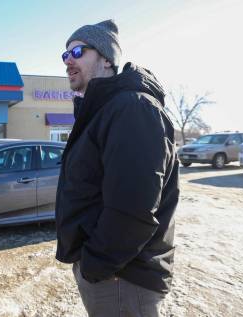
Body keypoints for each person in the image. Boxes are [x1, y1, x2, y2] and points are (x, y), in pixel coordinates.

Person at [55, 20, 179, 316]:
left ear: (107, 58)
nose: (68, 60)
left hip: (123, 277)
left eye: (77, 51)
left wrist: (95, 264)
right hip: (111, 272)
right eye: (64, 55)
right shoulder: (104, 112)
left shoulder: (132, 108)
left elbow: (134, 207)